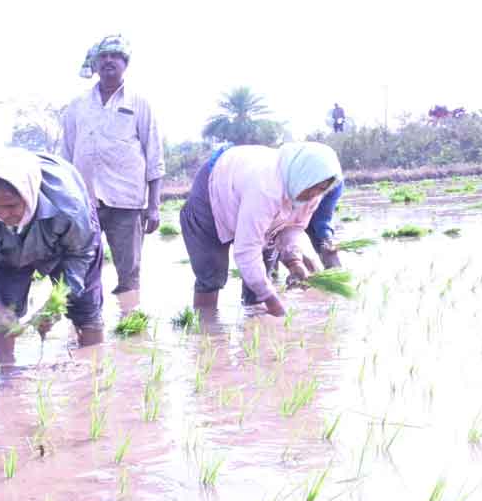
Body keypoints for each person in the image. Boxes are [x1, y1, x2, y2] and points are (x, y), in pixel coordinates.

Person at [0, 151, 105, 364]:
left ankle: (93, 376)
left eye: (11, 206)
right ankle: (5, 382)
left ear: (28, 195)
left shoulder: (69, 207)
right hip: (11, 250)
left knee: (84, 305)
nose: (3, 215)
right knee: (3, 310)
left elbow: (80, 254)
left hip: (69, 244)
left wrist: (56, 304)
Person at [61, 34, 165, 314]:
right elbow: (66, 157)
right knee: (79, 268)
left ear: (125, 63)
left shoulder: (140, 103)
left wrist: (154, 206)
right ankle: (84, 325)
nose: (108, 61)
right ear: (94, 64)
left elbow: (154, 155)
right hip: (85, 204)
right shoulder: (77, 105)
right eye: (102, 56)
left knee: (129, 272)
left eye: (114, 56)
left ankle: (128, 324)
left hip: (127, 202)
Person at [179, 142, 344, 317]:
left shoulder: (312, 193)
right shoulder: (266, 188)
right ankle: (206, 326)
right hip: (214, 190)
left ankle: (253, 324)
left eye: (321, 190)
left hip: (250, 200)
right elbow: (246, 250)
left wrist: (294, 261)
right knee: (211, 274)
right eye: (313, 188)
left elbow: (293, 227)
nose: (314, 195)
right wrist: (271, 299)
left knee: (262, 275)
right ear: (303, 175)